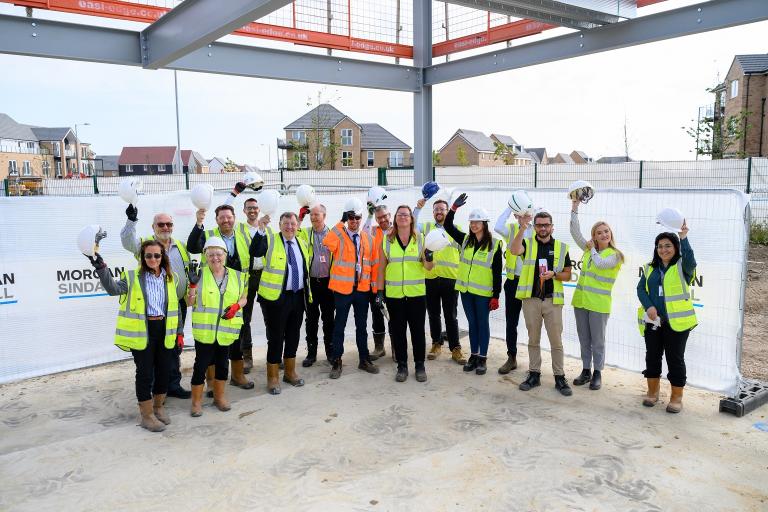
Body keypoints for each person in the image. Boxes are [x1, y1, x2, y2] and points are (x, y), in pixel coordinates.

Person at [89, 239, 180, 432]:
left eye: (157, 255)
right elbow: (113, 289)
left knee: (164, 370)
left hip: (165, 330)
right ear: (142, 257)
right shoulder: (131, 277)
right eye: (148, 255)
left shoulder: (171, 278)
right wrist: (101, 268)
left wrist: (179, 332)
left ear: (162, 257)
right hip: (143, 333)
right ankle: (147, 416)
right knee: (145, 374)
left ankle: (158, 408)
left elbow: (175, 307)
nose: (153, 259)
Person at [121, 206, 191, 399]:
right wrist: (131, 221)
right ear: (153, 227)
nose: (165, 227)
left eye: (169, 224)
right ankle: (154, 390)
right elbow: (127, 241)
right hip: (153, 307)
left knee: (173, 346)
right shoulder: (144, 244)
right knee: (151, 350)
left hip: (176, 305)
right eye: (161, 224)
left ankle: (172, 385)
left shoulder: (180, 246)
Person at [187, 203, 254, 392]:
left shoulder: (243, 236)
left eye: (229, 216)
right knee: (212, 341)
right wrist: (199, 222)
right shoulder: (208, 236)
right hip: (212, 294)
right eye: (222, 217)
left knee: (236, 336)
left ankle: (238, 376)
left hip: (236, 292)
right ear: (216, 220)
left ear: (234, 218)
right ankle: (211, 384)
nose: (226, 220)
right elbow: (193, 245)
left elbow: (255, 255)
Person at [509, 210, 573, 396]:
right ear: (535, 227)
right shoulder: (527, 243)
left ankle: (559, 377)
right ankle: (534, 374)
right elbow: (514, 250)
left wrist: (554, 274)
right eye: (539, 225)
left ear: (552, 227)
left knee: (556, 341)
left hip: (553, 300)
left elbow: (568, 274)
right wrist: (522, 227)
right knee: (533, 339)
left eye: (546, 225)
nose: (543, 228)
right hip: (531, 300)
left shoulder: (561, 247)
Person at [637, 222, 696, 413]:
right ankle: (652, 393)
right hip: (654, 321)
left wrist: (683, 237)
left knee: (675, 359)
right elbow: (640, 289)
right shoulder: (649, 268)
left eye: (668, 245)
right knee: (652, 357)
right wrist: (649, 306)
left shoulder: (682, 266)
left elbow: (690, 260)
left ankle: (676, 398)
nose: (663, 249)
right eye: (660, 246)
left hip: (677, 323)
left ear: (675, 247)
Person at [251, 212, 312, 395]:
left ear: (297, 225)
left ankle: (290, 372)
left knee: (293, 335)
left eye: (293, 223)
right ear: (279, 225)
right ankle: (273, 377)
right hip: (275, 299)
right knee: (276, 338)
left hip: (298, 296)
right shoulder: (269, 240)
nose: (290, 227)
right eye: (286, 223)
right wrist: (260, 230)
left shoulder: (301, 243)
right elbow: (255, 251)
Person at [187, 237, 248, 417]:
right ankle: (196, 403)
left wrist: (237, 306)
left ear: (225, 255)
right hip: (205, 332)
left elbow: (244, 297)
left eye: (218, 254)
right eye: (211, 254)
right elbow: (190, 302)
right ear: (205, 256)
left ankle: (219, 398)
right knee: (201, 366)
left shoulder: (238, 275)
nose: (215, 258)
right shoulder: (199, 274)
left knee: (222, 365)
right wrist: (191, 286)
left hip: (226, 330)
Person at [443, 194, 503, 375]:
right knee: (472, 324)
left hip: (483, 293)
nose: (474, 225)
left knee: (482, 323)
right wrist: (453, 208)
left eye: (478, 222)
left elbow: (497, 272)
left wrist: (496, 295)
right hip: (466, 291)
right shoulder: (466, 240)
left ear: (485, 224)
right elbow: (447, 226)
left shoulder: (494, 244)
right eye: (471, 222)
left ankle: (483, 358)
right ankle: (474, 356)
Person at [570, 199, 624, 390]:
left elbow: (601, 264)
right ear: (594, 235)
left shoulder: (615, 254)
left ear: (610, 234)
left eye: (606, 231)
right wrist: (574, 209)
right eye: (599, 232)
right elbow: (575, 234)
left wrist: (591, 247)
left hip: (599, 305)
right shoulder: (589, 251)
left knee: (598, 342)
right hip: (581, 302)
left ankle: (597, 373)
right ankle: (586, 370)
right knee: (584, 339)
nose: (603, 234)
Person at [376, 205, 434, 382]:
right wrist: (379, 292)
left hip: (416, 294)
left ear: (411, 218)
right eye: (399, 214)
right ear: (395, 218)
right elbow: (381, 269)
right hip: (394, 296)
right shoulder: (387, 240)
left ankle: (419, 365)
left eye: (406, 215)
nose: (402, 217)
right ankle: (402, 366)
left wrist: (430, 257)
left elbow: (429, 268)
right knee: (398, 332)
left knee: (417, 332)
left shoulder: (421, 240)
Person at [323, 197, 380, 379]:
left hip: (361, 291)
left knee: (361, 327)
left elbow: (372, 265)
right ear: (346, 217)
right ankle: (337, 361)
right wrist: (341, 221)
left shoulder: (368, 239)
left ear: (361, 218)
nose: (354, 221)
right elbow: (327, 241)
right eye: (350, 217)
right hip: (342, 291)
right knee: (339, 327)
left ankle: (364, 359)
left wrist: (375, 290)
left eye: (357, 217)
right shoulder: (339, 235)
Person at [414, 198, 466, 365]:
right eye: (436, 209)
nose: (439, 212)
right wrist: (418, 208)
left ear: (447, 211)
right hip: (430, 278)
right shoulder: (427, 228)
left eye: (442, 209)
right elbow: (412, 225)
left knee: (451, 315)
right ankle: (436, 344)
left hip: (451, 279)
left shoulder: (455, 230)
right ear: (433, 212)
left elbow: (464, 255)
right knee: (433, 314)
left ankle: (455, 348)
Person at [493, 205, 533, 374]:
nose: (522, 216)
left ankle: (535, 363)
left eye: (526, 213)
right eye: (519, 214)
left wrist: (530, 214)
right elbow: (497, 226)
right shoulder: (510, 229)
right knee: (511, 322)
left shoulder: (536, 230)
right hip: (513, 282)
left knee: (534, 324)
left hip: (531, 282)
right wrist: (510, 207)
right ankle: (512, 357)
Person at [297, 204, 335, 367]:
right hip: (311, 283)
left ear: (324, 216)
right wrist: (300, 218)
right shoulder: (305, 232)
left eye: (316, 214)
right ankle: (311, 354)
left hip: (328, 283)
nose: (313, 217)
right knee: (311, 320)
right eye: (311, 215)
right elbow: (292, 233)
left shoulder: (333, 234)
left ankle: (330, 353)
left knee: (329, 320)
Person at [364, 204, 392, 360]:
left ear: (390, 215)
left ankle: (396, 347)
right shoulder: (373, 231)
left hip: (393, 283)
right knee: (377, 314)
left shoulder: (397, 231)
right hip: (375, 283)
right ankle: (379, 347)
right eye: (379, 217)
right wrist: (368, 215)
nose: (382, 219)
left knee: (394, 316)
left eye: (385, 216)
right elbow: (363, 232)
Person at [238, 197, 263, 374]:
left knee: (274, 317)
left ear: (259, 209)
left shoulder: (266, 229)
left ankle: (278, 355)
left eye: (255, 207)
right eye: (249, 208)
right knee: (244, 318)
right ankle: (246, 355)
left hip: (265, 277)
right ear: (244, 211)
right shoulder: (238, 229)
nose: (252, 211)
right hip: (247, 278)